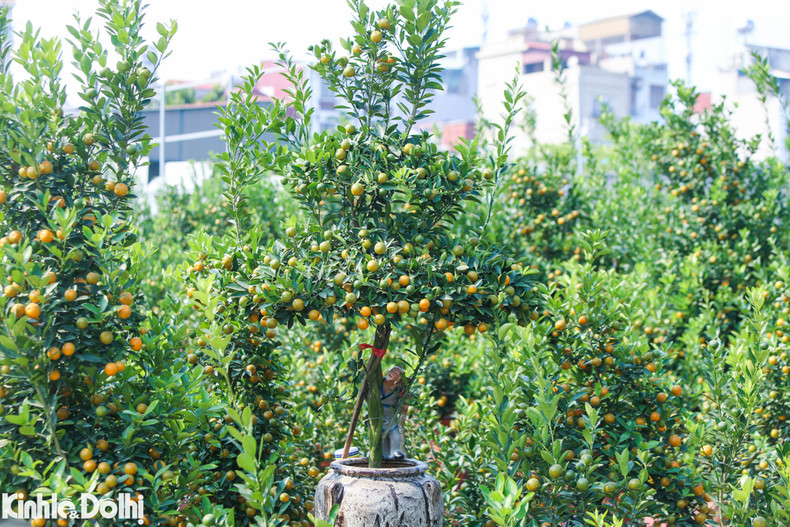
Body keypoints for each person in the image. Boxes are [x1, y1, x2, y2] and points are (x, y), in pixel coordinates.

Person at [380, 365, 407, 460]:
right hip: (377, 413)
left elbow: (403, 402)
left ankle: (395, 451)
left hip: (391, 414)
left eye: (395, 373)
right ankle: (380, 453)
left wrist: (404, 398)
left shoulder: (398, 388)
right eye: (391, 370)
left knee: (395, 434)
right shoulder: (378, 383)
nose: (391, 373)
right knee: (379, 436)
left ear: (398, 379)